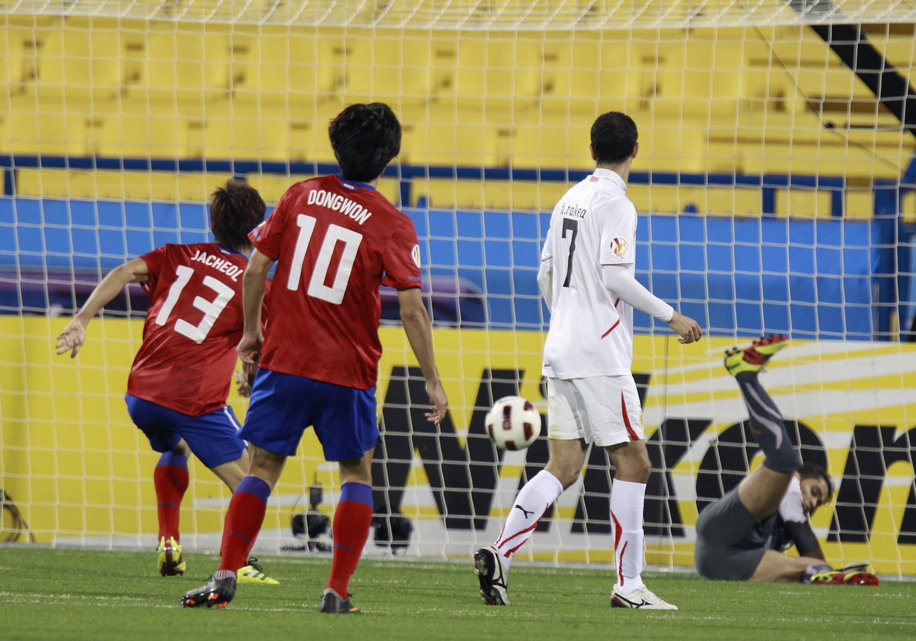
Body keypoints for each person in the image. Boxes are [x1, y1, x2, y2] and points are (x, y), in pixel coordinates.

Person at [181, 102, 448, 613]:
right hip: (347, 370)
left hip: (285, 361)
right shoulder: (393, 222)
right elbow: (412, 309)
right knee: (355, 471)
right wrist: (432, 380)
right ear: (389, 157)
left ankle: (224, 575)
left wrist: (251, 336)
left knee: (261, 466)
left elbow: (256, 269)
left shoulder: (301, 195)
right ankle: (336, 590)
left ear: (336, 147)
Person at [474, 111, 703, 610]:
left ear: (592, 149)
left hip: (560, 346)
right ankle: (630, 584)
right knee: (635, 463)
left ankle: (500, 554)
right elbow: (616, 276)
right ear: (635, 151)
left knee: (564, 464)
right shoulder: (616, 204)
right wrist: (672, 316)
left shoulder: (569, 199)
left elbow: (543, 274)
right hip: (599, 354)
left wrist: (567, 323)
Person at [54, 180, 277, 584]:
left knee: (177, 443)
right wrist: (251, 379)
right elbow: (257, 341)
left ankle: (169, 541)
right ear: (257, 229)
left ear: (213, 227)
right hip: (193, 399)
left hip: (141, 392)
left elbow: (123, 272)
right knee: (252, 482)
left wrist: (81, 320)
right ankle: (238, 564)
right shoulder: (255, 281)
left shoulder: (177, 253)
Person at [694, 334, 879, 586]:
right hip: (723, 533)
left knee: (816, 569)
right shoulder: (791, 487)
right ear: (798, 479)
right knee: (784, 460)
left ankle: (829, 576)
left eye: (818, 501)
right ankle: (745, 375)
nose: (812, 501)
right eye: (814, 491)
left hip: (725, 563)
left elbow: (808, 553)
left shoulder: (789, 522)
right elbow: (805, 539)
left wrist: (830, 572)